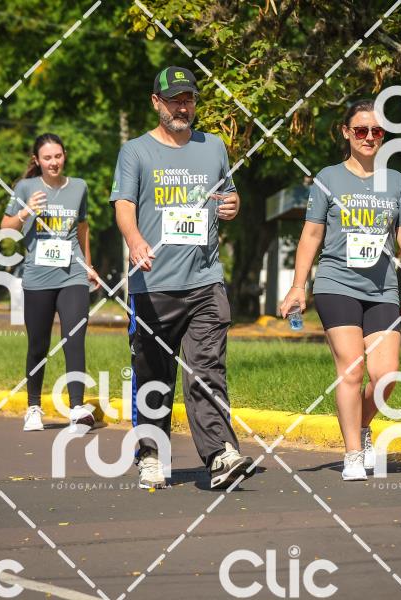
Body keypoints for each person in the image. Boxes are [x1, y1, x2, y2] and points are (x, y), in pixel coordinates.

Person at [279, 100, 401, 481]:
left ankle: (362, 425)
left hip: (382, 288)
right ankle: (353, 452)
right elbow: (312, 234)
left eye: (376, 131)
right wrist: (298, 286)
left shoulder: (395, 182)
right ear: (346, 132)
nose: (369, 137)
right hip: (336, 284)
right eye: (361, 130)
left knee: (387, 375)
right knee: (352, 370)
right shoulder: (329, 178)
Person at [110, 66, 255, 490]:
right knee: (153, 376)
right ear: (156, 102)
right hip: (154, 284)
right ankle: (151, 454)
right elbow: (123, 205)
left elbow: (228, 195)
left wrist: (233, 205)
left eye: (188, 99)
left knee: (207, 370)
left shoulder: (214, 147)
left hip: (205, 279)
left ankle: (220, 454)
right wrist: (135, 240)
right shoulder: (135, 152)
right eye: (174, 100)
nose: (182, 107)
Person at [2, 133, 100, 432]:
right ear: (37, 160)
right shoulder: (25, 187)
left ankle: (77, 408)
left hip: (72, 275)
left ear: (64, 155)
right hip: (38, 278)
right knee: (38, 344)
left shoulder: (79, 187)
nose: (53, 162)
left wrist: (88, 266)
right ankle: (33, 407)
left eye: (58, 156)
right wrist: (26, 211)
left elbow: (82, 229)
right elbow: (6, 229)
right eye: (47, 158)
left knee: (74, 338)